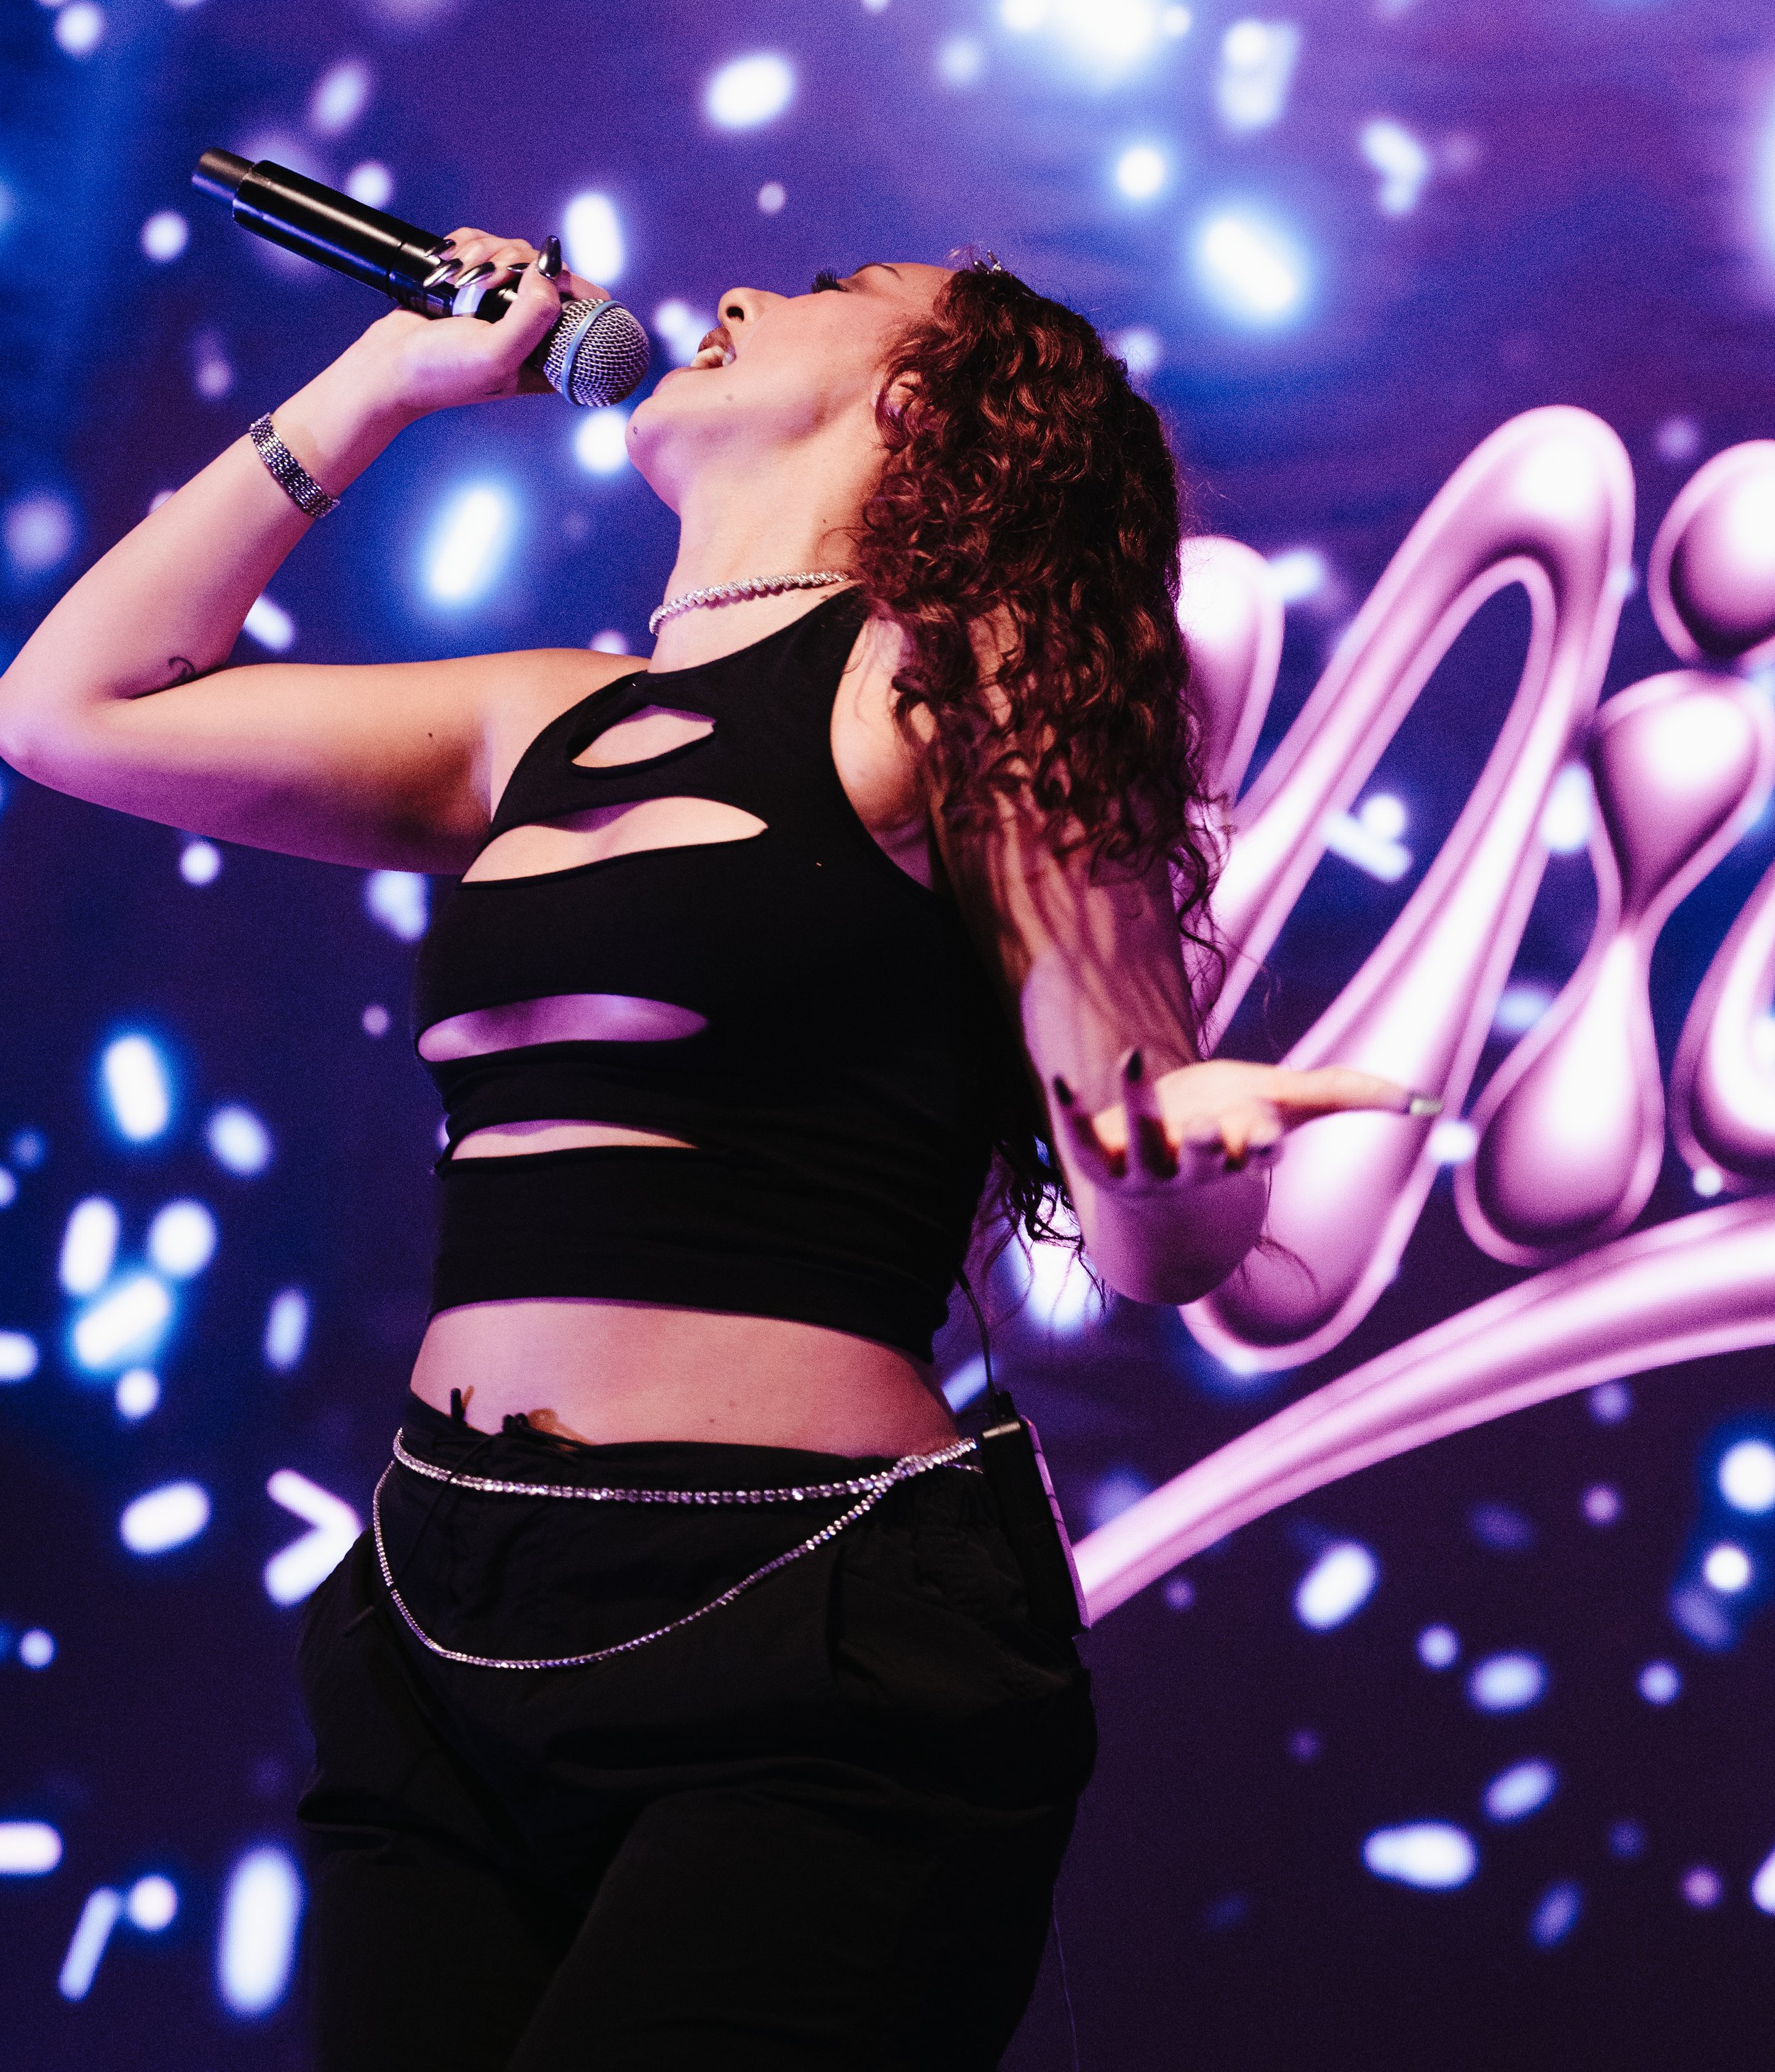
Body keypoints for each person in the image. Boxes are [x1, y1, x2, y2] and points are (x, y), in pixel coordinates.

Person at [0, 231, 1424, 2069]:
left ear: (923, 400)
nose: (742, 292)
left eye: (836, 282)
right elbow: (68, 712)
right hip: (444, 1607)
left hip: (803, 1633)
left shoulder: (961, 683)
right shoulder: (541, 718)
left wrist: (1167, 1165)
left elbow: (1156, 1225)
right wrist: (377, 387)